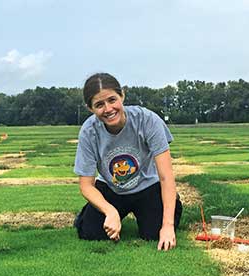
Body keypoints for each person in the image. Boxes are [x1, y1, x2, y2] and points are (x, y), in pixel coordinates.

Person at [73, 73, 182, 251]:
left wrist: (168, 226)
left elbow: (166, 176)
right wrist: (110, 211)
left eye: (112, 100)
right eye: (99, 105)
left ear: (122, 95)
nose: (108, 109)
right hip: (111, 187)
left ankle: (172, 205)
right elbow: (86, 185)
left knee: (153, 233)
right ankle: (92, 216)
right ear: (90, 108)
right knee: (90, 232)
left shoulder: (147, 120)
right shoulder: (88, 132)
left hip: (148, 186)